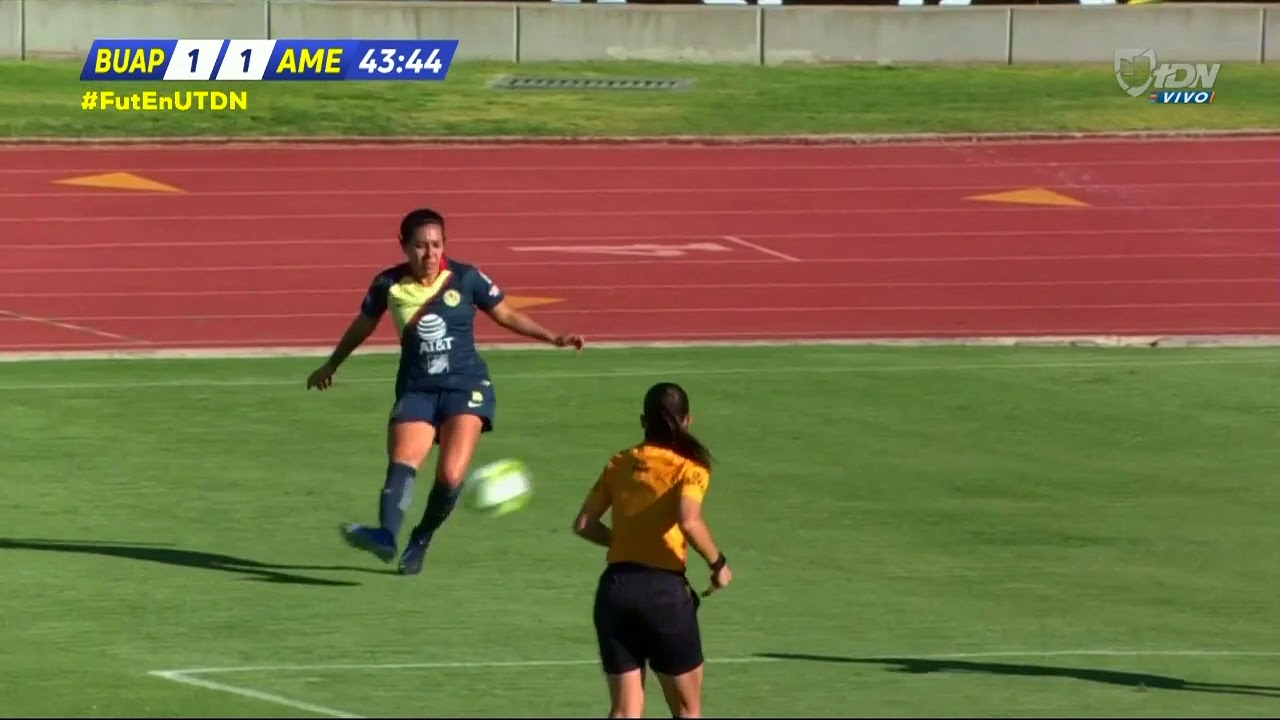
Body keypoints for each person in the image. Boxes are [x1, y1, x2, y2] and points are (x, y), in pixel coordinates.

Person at [306, 207, 585, 576]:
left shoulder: (467, 278)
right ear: (404, 247)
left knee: (451, 476)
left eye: (436, 245)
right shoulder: (388, 285)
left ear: (445, 246)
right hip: (418, 390)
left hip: (466, 387)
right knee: (404, 462)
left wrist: (553, 338)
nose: (429, 254)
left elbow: (505, 313)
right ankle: (386, 536)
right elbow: (362, 327)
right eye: (420, 246)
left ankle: (421, 537)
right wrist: (332, 364)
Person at [572, 382, 733, 719]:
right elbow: (688, 521)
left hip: (615, 592)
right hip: (664, 597)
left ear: (643, 421)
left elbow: (584, 524)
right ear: (687, 420)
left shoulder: (620, 462)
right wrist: (718, 564)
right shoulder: (690, 469)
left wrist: (625, 541)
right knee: (687, 711)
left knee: (624, 711)